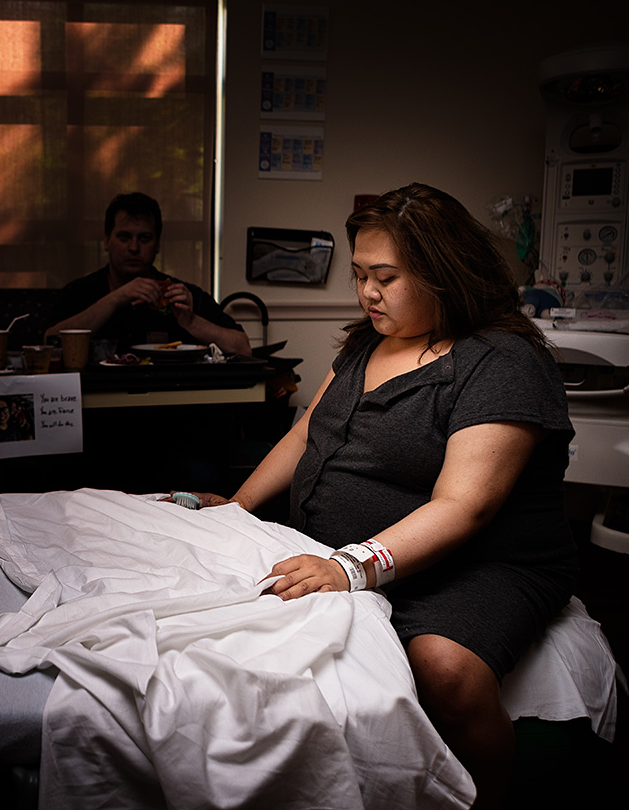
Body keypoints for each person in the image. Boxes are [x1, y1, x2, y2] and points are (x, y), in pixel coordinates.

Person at [176, 183, 577, 809]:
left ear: (443, 274)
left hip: (481, 561)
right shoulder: (368, 341)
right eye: (361, 275)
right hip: (347, 543)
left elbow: (462, 506)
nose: (366, 293)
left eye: (384, 277)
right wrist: (239, 506)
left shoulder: (500, 362)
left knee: (446, 670)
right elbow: (308, 428)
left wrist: (349, 566)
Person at [44, 193, 251, 356]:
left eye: (144, 238)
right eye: (124, 237)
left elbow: (242, 348)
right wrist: (116, 298)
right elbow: (48, 342)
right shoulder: (80, 292)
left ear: (158, 245)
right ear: (106, 241)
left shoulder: (178, 295)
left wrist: (190, 321)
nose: (134, 247)